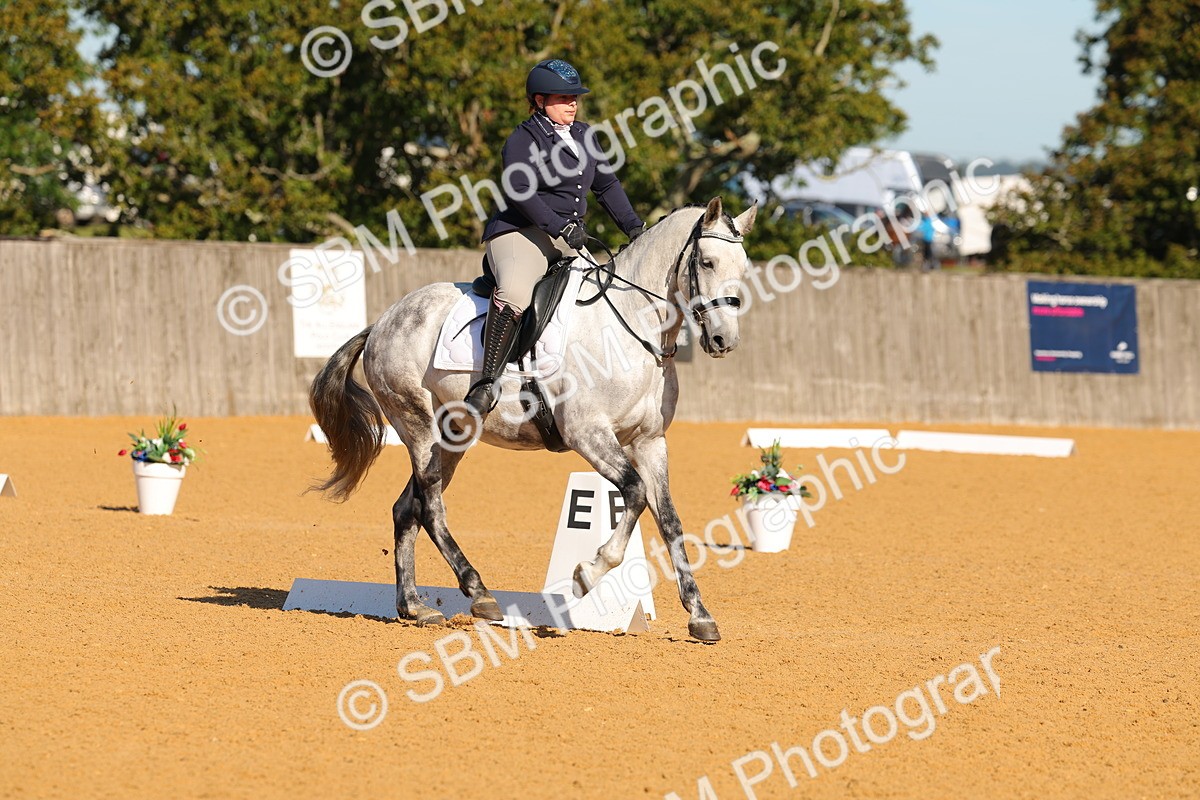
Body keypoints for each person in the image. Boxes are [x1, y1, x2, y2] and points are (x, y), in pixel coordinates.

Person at [463, 58, 646, 420]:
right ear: (540, 100)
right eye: (564, 97)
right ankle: (486, 384)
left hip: (568, 239)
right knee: (515, 292)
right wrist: (559, 226)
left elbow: (606, 185)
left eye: (575, 97)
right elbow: (519, 191)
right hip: (519, 233)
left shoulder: (585, 135)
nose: (573, 103)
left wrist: (636, 229)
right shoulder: (522, 140)